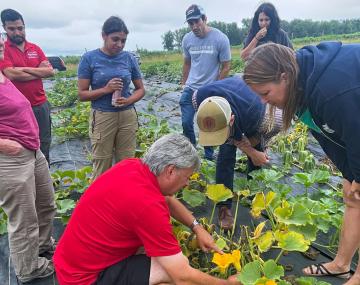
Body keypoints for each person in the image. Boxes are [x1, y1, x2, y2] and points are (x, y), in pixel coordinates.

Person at [243, 42, 360, 285]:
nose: (263, 101)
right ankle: (340, 265)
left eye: (265, 93)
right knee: (352, 196)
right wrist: (350, 174)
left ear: (283, 77)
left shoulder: (331, 91)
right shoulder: (301, 84)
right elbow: (331, 136)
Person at [53, 134, 240, 285]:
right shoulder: (147, 205)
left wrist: (197, 227)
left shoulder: (134, 166)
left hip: (70, 262)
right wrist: (226, 284)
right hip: (84, 279)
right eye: (186, 177)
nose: (187, 183)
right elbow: (181, 276)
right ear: (170, 171)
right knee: (172, 269)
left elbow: (167, 199)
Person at [0, 34, 56, 283]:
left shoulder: (2, 72)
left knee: (46, 204)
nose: (2, 44)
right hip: (11, 158)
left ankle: (43, 247)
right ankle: (29, 269)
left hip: (32, 152)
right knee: (24, 219)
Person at [193, 76, 282, 230]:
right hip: (234, 100)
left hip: (251, 111)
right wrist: (246, 148)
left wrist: (255, 151)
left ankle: (254, 198)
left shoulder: (260, 116)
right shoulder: (199, 99)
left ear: (231, 120)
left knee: (256, 159)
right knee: (226, 155)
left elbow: (261, 136)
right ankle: (224, 206)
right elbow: (229, 138)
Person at [78, 16, 145, 180]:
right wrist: (106, 89)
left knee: (127, 162)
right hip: (103, 116)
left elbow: (140, 89)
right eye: (115, 39)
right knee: (102, 162)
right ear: (104, 35)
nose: (120, 44)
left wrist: (129, 100)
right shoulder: (90, 58)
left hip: (127, 115)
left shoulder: (129, 58)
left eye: (123, 40)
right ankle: (99, 202)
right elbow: (82, 94)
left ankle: (123, 200)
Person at [0, 9, 55, 164]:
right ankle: (29, 173)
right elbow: (11, 74)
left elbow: (50, 72)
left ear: (24, 26)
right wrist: (39, 71)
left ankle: (45, 173)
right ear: (4, 28)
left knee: (44, 140)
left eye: (20, 28)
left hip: (40, 103)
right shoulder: (4, 50)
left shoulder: (35, 48)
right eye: (12, 29)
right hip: (17, 109)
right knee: (23, 143)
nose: (17, 32)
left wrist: (21, 69)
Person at [180, 4, 231, 161]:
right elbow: (187, 63)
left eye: (197, 21)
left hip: (209, 89)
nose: (194, 26)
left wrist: (216, 87)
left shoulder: (220, 38)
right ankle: (191, 153)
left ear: (205, 19)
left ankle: (208, 157)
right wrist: (183, 82)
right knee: (186, 122)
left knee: (208, 124)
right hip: (190, 88)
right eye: (191, 23)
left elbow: (226, 66)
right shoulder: (187, 39)